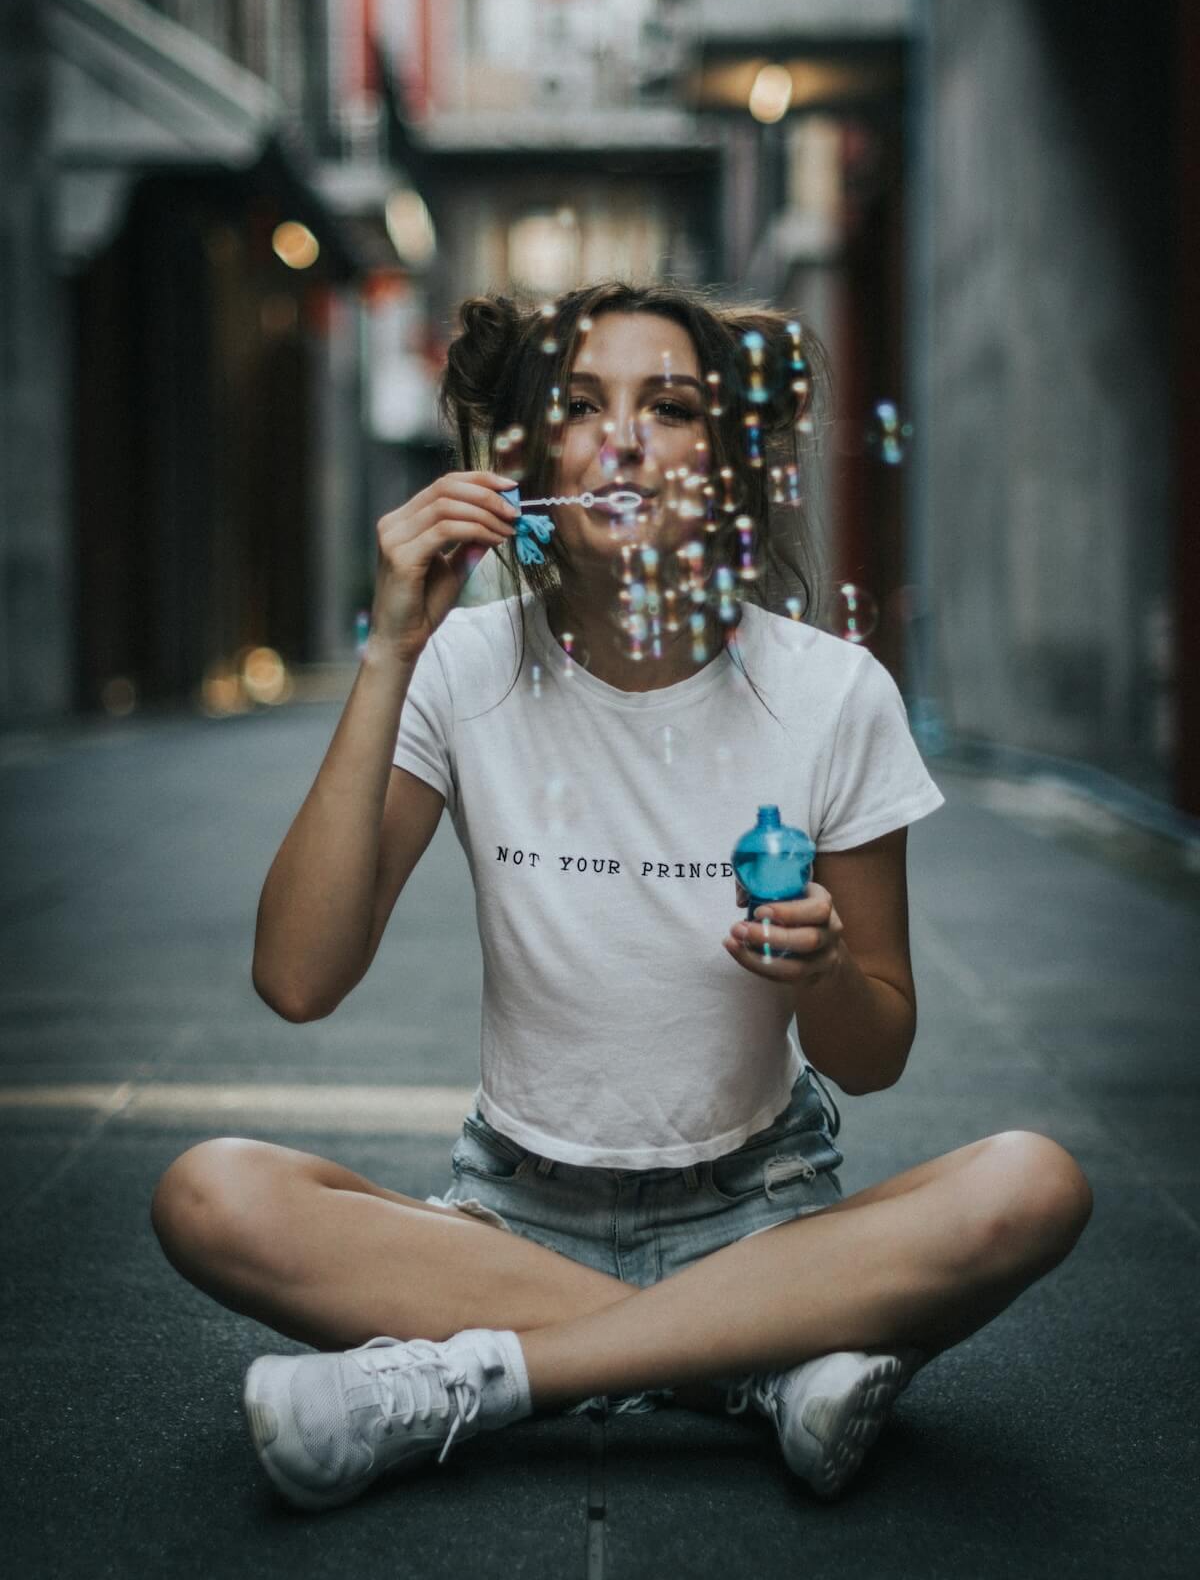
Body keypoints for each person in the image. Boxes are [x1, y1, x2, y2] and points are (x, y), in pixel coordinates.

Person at [149, 281, 1094, 1515]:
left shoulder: (832, 692)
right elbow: (297, 978)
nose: (626, 439)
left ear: (728, 465)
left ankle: (476, 1378)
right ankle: (760, 1364)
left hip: (763, 1217)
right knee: (210, 1194)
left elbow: (874, 1057)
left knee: (1033, 1183)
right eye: (582, 407)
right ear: (532, 461)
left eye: (673, 407)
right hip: (508, 1221)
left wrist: (823, 973)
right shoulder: (462, 666)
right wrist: (389, 652)